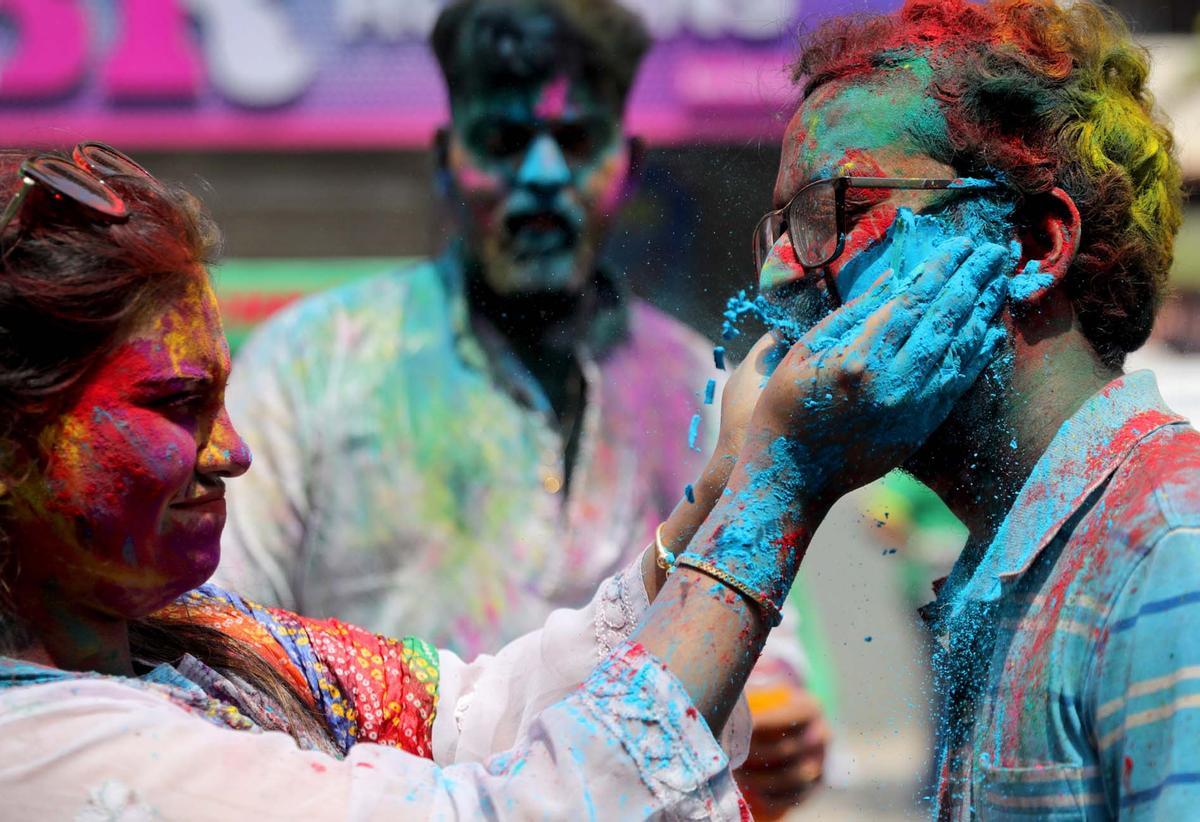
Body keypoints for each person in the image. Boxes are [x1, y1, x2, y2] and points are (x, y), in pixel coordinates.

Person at [0, 144, 1005, 817]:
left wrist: (720, 489)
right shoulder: (39, 749)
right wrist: (773, 492)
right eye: (175, 404)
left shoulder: (193, 640)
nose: (233, 450)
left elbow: (477, 718)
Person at [214, 0, 825, 809]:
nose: (540, 176)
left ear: (628, 163)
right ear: (446, 159)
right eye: (504, 141)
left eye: (574, 142)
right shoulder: (312, 367)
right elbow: (223, 641)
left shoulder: (699, 384)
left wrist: (781, 726)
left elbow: (764, 640)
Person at [747, 0, 1197, 815]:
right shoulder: (1016, 560)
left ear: (1030, 244)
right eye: (780, 228)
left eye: (829, 213)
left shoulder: (1169, 548)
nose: (779, 277)